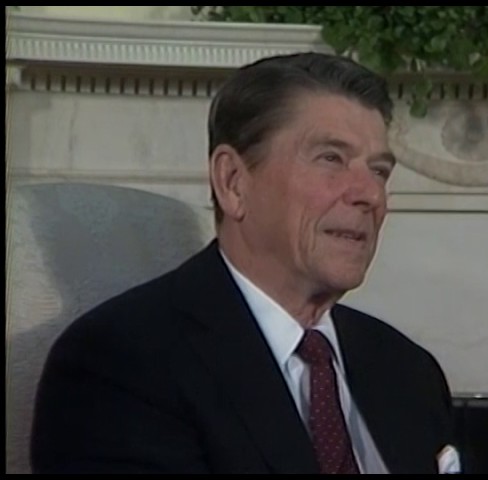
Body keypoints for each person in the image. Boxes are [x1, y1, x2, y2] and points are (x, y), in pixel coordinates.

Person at [30, 52, 461, 474]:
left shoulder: (407, 370)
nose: (370, 194)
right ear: (233, 183)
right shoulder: (119, 365)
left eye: (380, 171)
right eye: (331, 158)